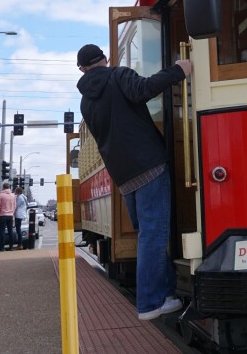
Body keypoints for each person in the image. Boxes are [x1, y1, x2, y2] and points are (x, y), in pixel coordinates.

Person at [76, 43, 190, 321]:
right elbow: (145, 89)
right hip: (148, 164)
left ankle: (166, 294)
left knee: (148, 234)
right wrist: (179, 70)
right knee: (154, 233)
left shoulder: (85, 101)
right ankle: (150, 302)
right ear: (105, 58)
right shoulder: (118, 75)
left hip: (123, 175)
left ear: (81, 69)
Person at [0, 181, 16, 251]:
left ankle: (1, 247)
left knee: (2, 231)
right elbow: (14, 206)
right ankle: (11, 246)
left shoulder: (0, 195)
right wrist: (12, 213)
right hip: (10, 215)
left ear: (3, 187)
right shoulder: (13, 195)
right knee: (10, 231)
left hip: (3, 215)